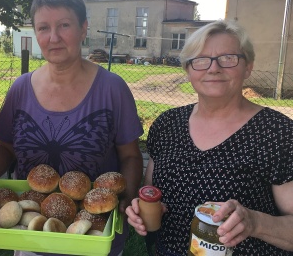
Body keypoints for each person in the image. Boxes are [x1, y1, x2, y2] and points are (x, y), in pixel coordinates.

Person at [0, 0, 144, 255]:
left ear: (83, 28)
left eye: (64, 25)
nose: (53, 37)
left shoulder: (112, 89)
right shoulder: (21, 89)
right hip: (33, 238)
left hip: (93, 239)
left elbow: (131, 156)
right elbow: (5, 148)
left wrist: (129, 197)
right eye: (43, 28)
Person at [125, 20, 293, 255]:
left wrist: (255, 223)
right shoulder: (167, 124)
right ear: (188, 70)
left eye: (228, 58)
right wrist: (144, 209)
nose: (214, 68)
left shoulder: (277, 132)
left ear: (248, 66)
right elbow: (152, 190)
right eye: (200, 60)